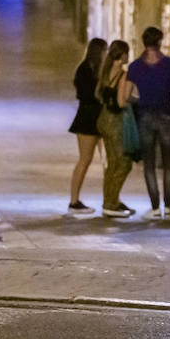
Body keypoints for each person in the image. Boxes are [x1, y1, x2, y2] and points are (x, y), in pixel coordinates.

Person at [127, 27, 170, 220]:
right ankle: (168, 206)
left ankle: (154, 207)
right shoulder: (169, 64)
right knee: (168, 162)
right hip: (165, 116)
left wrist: (140, 102)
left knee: (149, 164)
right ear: (160, 41)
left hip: (144, 117)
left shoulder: (135, 67)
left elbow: (126, 95)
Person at [95, 41, 137, 218]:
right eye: (126, 53)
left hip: (103, 119)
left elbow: (99, 94)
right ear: (122, 55)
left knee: (112, 162)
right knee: (124, 163)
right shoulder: (123, 75)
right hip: (115, 122)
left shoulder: (105, 71)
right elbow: (121, 102)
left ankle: (110, 201)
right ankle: (111, 202)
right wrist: (134, 99)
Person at [67, 38, 108, 215]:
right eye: (105, 51)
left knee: (107, 161)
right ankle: (74, 201)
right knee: (85, 159)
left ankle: (110, 200)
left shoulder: (93, 70)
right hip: (88, 118)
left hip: (95, 116)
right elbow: (88, 94)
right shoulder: (85, 71)